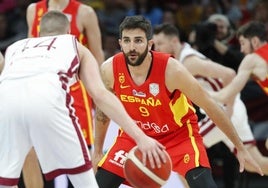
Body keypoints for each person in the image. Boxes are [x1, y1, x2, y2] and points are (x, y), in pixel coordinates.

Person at [0, 10, 167, 188]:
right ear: (68, 32)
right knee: (84, 181)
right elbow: (100, 94)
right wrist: (141, 137)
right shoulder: (73, 44)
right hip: (47, 101)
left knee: (6, 180)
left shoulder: (14, 48)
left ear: (39, 33)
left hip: (5, 105)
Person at [92, 15, 263, 188]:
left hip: (178, 136)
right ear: (120, 43)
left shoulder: (172, 70)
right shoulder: (109, 70)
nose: (132, 47)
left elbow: (209, 105)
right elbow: (102, 109)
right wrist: (97, 150)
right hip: (135, 136)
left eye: (138, 41)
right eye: (127, 41)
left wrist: (240, 147)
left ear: (150, 44)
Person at [153, 23, 268, 186]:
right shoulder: (179, 60)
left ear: (173, 41)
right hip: (229, 111)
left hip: (222, 112)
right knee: (253, 163)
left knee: (184, 155)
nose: (156, 48)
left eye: (160, 43)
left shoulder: (189, 61)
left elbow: (229, 73)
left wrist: (228, 109)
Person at [24, 0, 104, 187]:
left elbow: (97, 55)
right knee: (39, 155)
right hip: (42, 91)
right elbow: (28, 52)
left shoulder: (85, 12)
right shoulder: (33, 10)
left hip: (76, 91)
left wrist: (100, 93)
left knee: (79, 158)